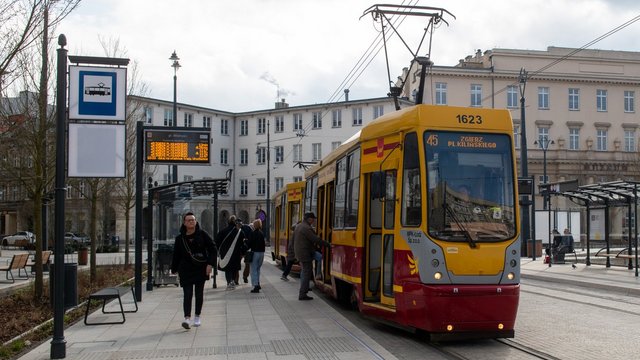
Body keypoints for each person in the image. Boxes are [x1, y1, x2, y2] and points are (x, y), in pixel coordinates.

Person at [171, 212, 216, 329]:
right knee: (187, 293)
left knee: (199, 293)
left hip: (200, 268)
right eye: (189, 220)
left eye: (193, 220)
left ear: (196, 221)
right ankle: (187, 318)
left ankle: (197, 316)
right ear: (184, 223)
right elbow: (176, 255)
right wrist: (174, 268)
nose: (191, 222)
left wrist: (210, 264)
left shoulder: (202, 234)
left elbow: (213, 249)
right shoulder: (180, 238)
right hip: (185, 269)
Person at [293, 212, 329, 300]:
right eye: (313, 219)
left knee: (305, 271)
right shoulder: (306, 228)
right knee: (306, 272)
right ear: (309, 219)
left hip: (300, 253)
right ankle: (302, 294)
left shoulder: (299, 226)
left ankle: (303, 291)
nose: (314, 221)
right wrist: (328, 244)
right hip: (305, 253)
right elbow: (315, 239)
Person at [215, 215, 244, 290]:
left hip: (225, 253)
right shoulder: (239, 232)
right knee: (234, 268)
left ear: (228, 221)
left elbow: (217, 242)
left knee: (227, 269)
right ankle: (232, 281)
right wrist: (242, 252)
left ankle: (229, 282)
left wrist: (218, 251)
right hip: (236, 254)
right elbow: (243, 243)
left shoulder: (223, 231)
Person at [245, 219, 265, 293]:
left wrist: (245, 243)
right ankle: (258, 283)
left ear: (254, 225)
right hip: (262, 253)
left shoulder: (253, 233)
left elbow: (249, 244)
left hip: (255, 253)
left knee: (253, 270)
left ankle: (256, 286)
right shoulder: (261, 233)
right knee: (258, 269)